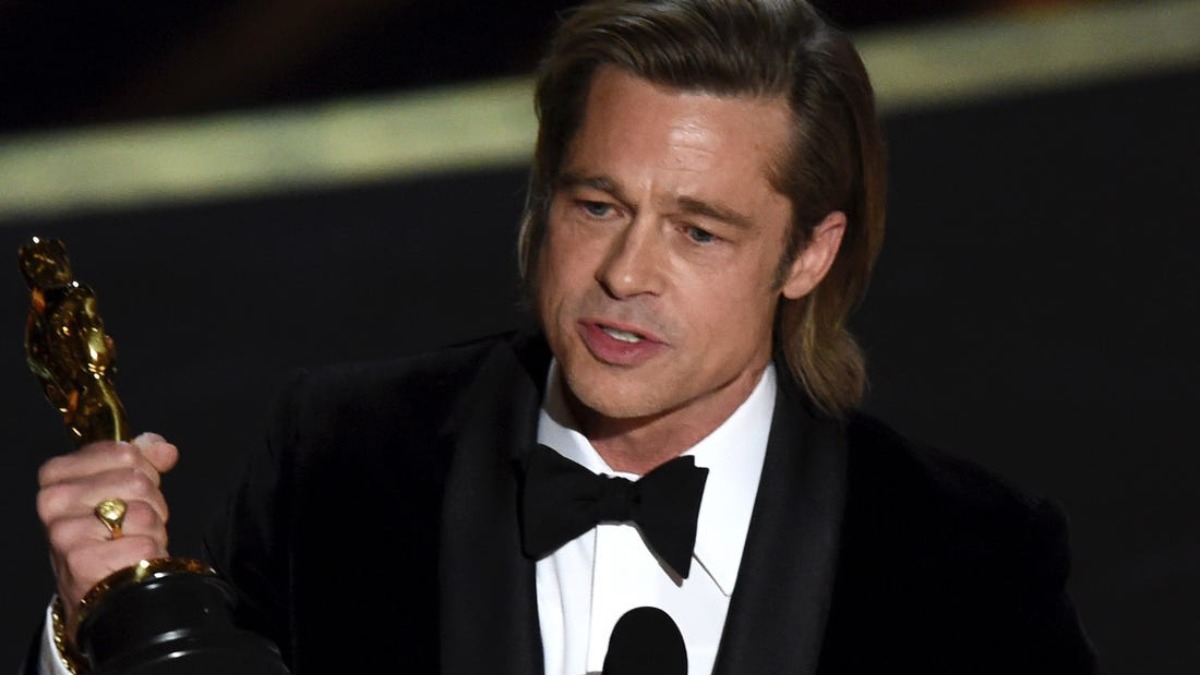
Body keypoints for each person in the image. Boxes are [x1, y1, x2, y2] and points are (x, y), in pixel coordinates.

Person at [26, 0, 1099, 673]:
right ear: (543, 202)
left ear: (808, 255)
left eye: (699, 230)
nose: (626, 273)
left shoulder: (968, 555)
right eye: (597, 205)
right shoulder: (341, 462)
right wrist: (98, 621)